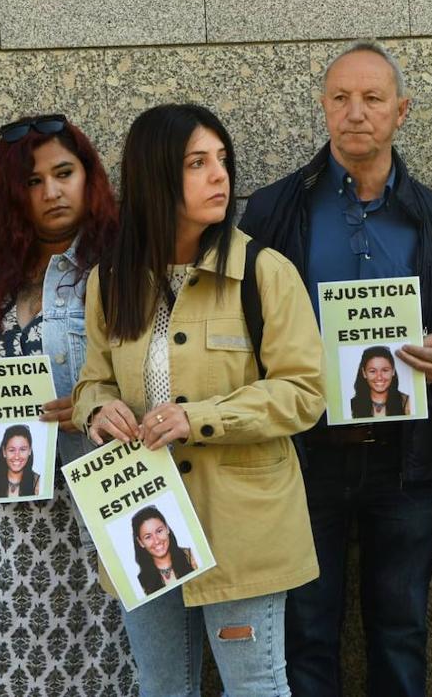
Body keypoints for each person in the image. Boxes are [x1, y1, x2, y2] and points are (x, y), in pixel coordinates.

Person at [240, 39, 432, 697]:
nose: (356, 112)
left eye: (372, 98)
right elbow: (245, 327)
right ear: (323, 108)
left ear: (402, 111)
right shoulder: (274, 213)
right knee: (307, 630)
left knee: (402, 632)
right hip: (305, 454)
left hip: (404, 458)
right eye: (340, 98)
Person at [73, 103, 325, 697]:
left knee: (254, 688)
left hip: (243, 525)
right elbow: (92, 380)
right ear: (154, 177)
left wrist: (199, 418)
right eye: (196, 163)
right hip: (143, 517)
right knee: (162, 688)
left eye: (222, 160)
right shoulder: (110, 281)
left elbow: (303, 393)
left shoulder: (265, 273)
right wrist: (96, 409)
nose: (220, 176)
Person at [0, 114, 137, 695]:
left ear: (88, 177)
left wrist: (94, 399)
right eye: (33, 183)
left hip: (89, 510)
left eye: (63, 173)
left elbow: (156, 359)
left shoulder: (119, 265)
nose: (51, 192)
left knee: (98, 668)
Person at [131, 505, 197, 595]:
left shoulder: (192, 556)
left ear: (167, 529)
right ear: (140, 542)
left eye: (159, 531)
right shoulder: (141, 581)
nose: (157, 541)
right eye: (148, 537)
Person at [350, 345, 412, 418]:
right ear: (364, 373)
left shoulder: (407, 402)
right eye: (372, 371)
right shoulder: (352, 405)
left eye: (385, 370)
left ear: (393, 371)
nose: (379, 377)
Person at [0, 423, 41, 498]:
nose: (17, 456)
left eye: (22, 449)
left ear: (30, 451)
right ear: (4, 452)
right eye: (12, 450)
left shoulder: (39, 483)